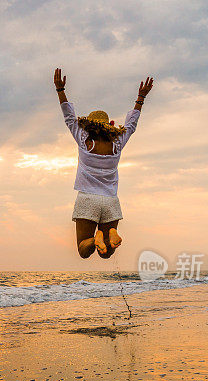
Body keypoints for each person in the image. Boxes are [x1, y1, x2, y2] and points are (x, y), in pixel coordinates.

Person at [54, 68, 152, 259]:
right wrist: (141, 98)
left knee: (84, 249)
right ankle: (108, 235)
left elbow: (69, 117)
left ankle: (96, 237)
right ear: (108, 125)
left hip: (88, 199)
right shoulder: (117, 144)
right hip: (110, 201)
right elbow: (131, 125)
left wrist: (60, 90)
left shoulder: (84, 141)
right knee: (107, 254)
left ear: (89, 125)